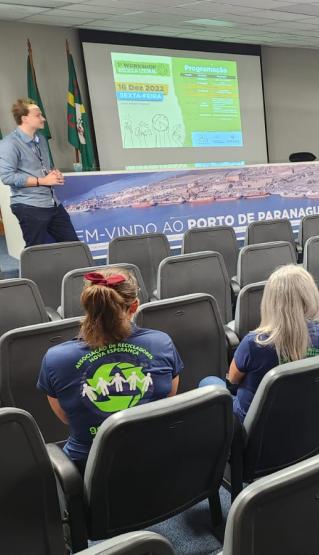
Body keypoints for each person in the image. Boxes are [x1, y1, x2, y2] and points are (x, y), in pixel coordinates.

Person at [37, 269, 181, 470]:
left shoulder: (55, 358)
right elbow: (169, 396)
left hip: (92, 471)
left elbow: (67, 417)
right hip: (158, 460)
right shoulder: (161, 342)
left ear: (89, 305)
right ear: (135, 306)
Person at [199, 265, 319, 421]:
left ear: (271, 301)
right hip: (303, 413)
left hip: (253, 425)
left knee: (208, 382)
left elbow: (234, 380)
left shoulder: (254, 343)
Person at [0, 98, 77, 247]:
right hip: (29, 206)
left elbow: (45, 166)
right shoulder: (9, 143)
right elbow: (7, 177)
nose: (44, 119)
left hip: (53, 203)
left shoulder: (41, 139)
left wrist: (54, 173)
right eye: (38, 115)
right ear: (25, 118)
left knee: (74, 246)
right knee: (35, 252)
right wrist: (42, 181)